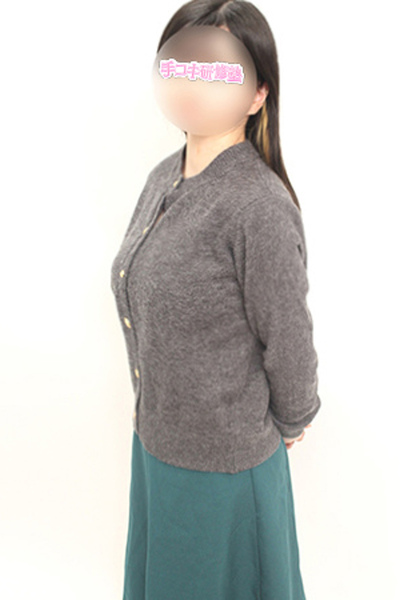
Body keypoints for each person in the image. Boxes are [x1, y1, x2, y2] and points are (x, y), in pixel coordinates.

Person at [111, 2, 322, 598]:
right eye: (183, 64)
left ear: (257, 94)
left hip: (223, 467)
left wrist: (293, 416)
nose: (194, 82)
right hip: (158, 445)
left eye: (219, 71)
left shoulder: (257, 204)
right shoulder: (164, 176)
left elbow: (288, 333)